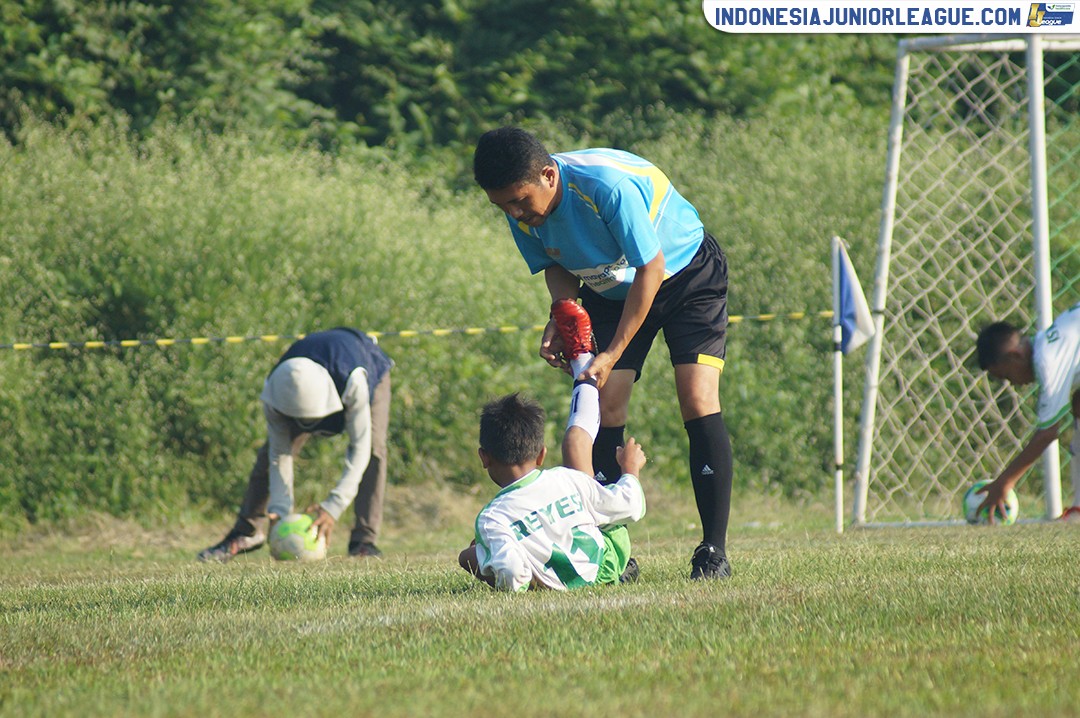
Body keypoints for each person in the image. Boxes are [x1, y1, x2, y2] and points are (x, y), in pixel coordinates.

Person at [473, 126, 733, 579]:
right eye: (503, 206)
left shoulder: (604, 187)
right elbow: (556, 264)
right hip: (611, 289)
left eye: (519, 201)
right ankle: (615, 554)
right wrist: (563, 313)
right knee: (605, 401)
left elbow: (651, 269)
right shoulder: (520, 209)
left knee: (696, 398)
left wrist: (612, 352)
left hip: (685, 275)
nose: (514, 213)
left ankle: (713, 551)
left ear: (548, 176)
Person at [458, 301, 646, 591]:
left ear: (484, 457)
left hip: (555, 581)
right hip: (607, 566)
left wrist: (530, 582)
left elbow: (511, 572)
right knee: (576, 444)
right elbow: (629, 508)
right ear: (542, 454)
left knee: (469, 554)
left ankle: (583, 358)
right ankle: (583, 359)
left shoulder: (492, 518)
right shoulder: (566, 479)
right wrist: (630, 472)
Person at [198, 327, 393, 561]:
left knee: (373, 450)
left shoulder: (353, 381)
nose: (305, 424)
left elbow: (359, 449)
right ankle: (247, 532)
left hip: (363, 362)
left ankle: (364, 542)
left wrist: (333, 506)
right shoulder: (276, 389)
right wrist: (280, 512)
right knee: (268, 454)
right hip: (304, 382)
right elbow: (280, 454)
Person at [975, 302, 1080, 522]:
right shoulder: (1051, 342)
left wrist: (1004, 482)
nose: (1012, 384)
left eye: (1007, 376)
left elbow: (1047, 434)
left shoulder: (1048, 363)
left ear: (1015, 356)